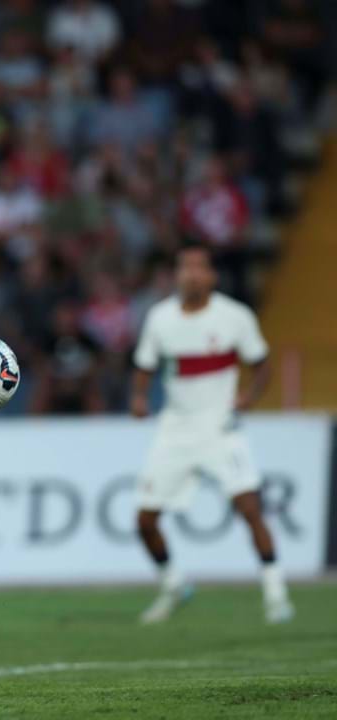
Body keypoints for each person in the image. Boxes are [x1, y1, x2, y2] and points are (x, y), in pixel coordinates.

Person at [131, 241, 294, 625]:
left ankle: (276, 594)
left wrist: (249, 397)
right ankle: (174, 585)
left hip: (221, 428)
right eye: (183, 267)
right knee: (145, 521)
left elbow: (262, 365)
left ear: (211, 275)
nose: (190, 274)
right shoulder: (160, 318)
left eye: (198, 267)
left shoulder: (235, 317)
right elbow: (144, 366)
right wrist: (138, 396)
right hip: (175, 429)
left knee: (250, 508)